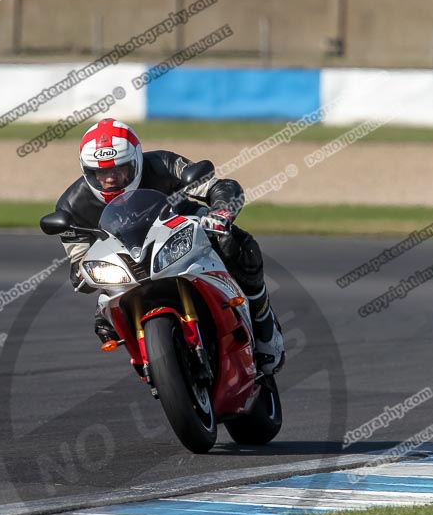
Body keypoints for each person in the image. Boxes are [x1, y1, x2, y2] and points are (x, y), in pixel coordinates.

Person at [55, 117, 285, 375]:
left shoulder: (164, 164)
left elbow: (220, 187)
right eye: (100, 172)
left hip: (180, 228)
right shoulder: (71, 206)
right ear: (87, 171)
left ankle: (265, 328)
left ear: (137, 162)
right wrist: (81, 272)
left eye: (119, 169)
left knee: (240, 247)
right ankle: (149, 361)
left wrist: (220, 213)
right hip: (124, 259)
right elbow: (78, 260)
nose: (110, 179)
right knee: (104, 316)